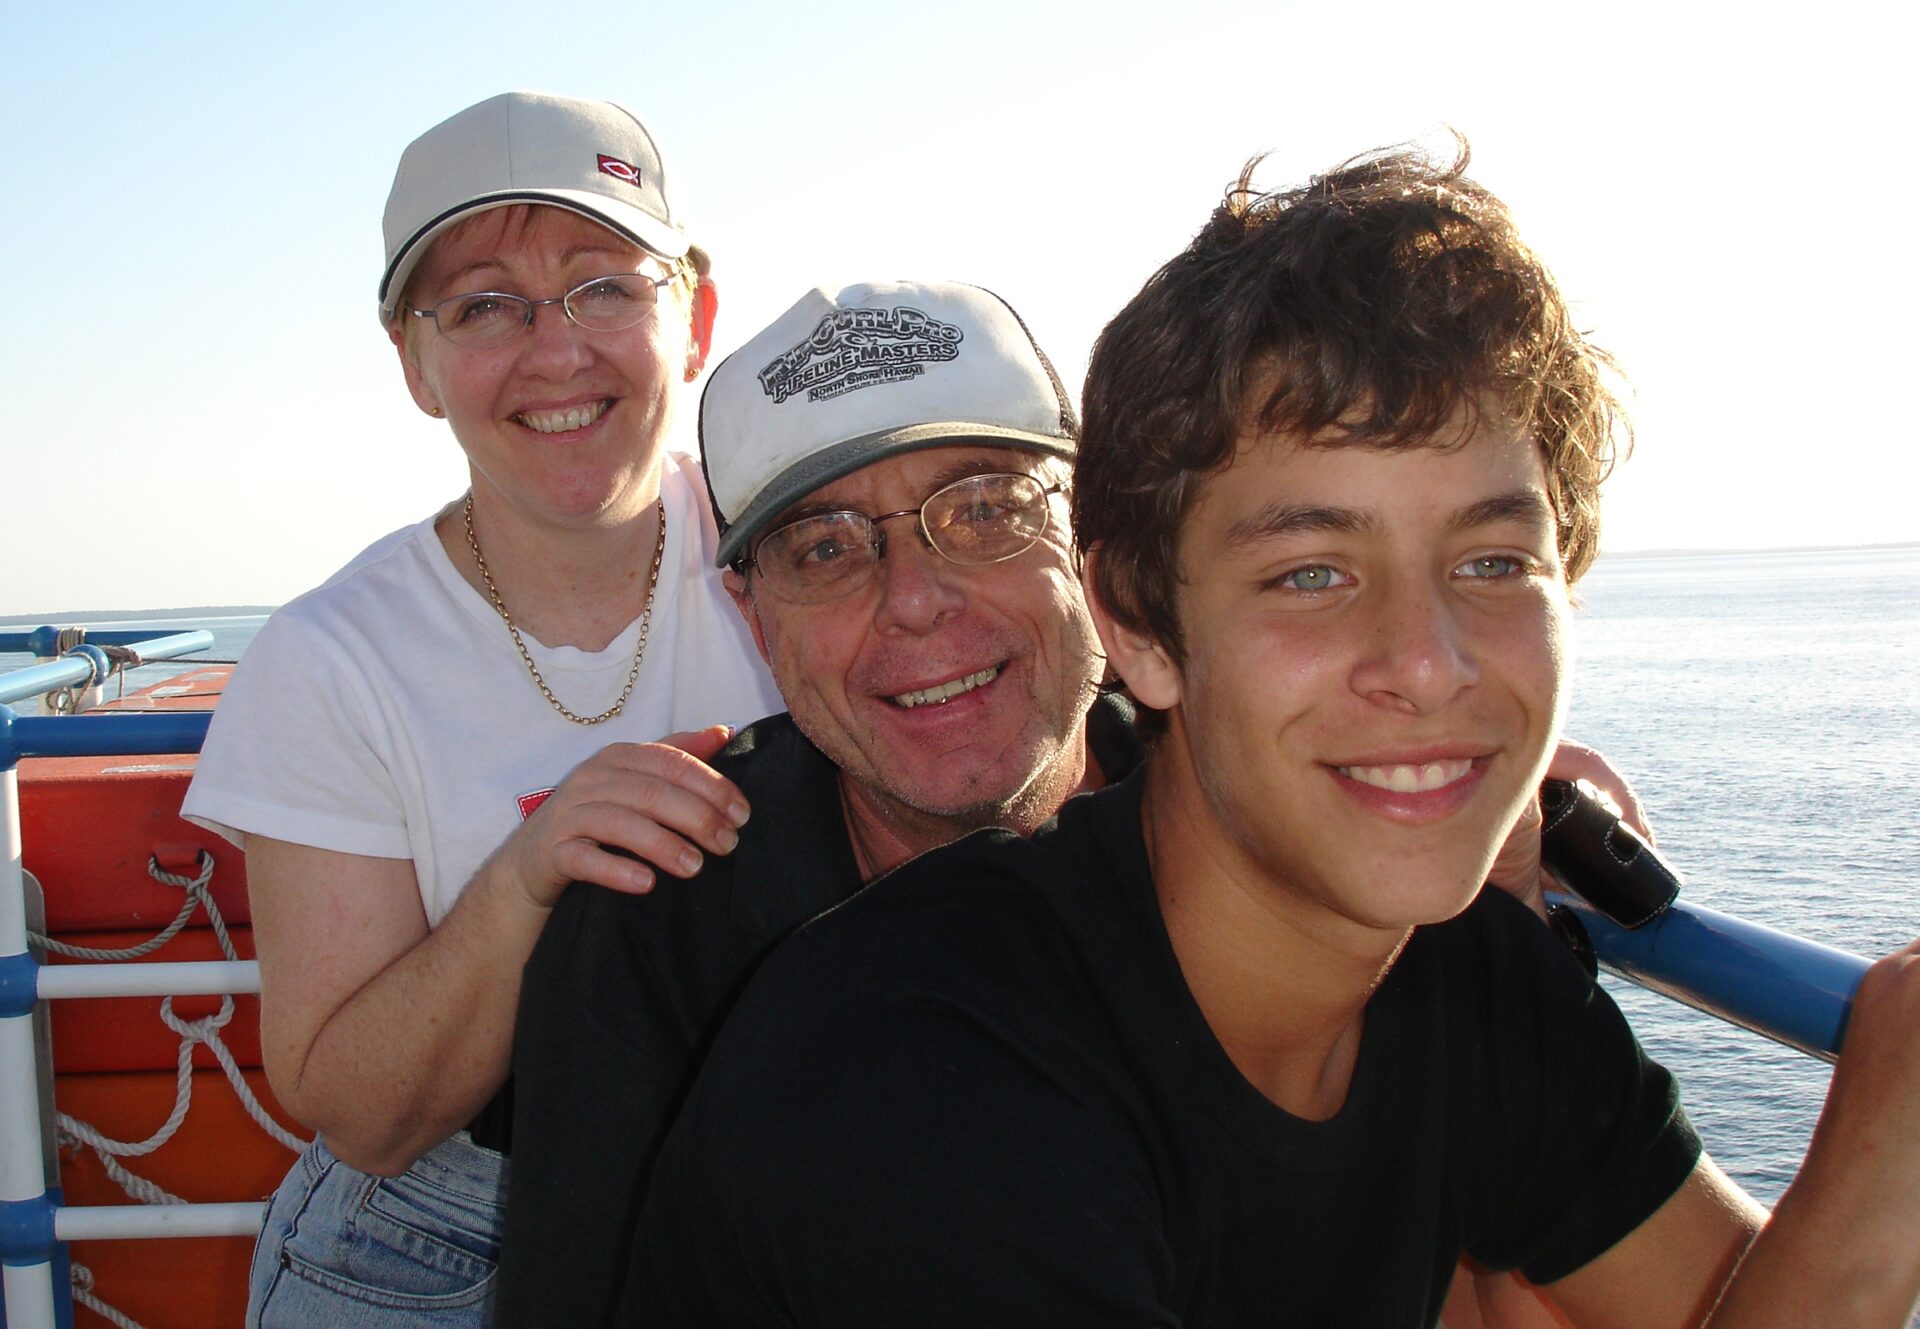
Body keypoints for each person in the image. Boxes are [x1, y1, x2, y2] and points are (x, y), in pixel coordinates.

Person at [622, 147, 1920, 1327]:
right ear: (1136, 620)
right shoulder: (924, 1073)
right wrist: (1870, 1174)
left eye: (1491, 560)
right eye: (1311, 571)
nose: (1429, 663)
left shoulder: (1463, 976)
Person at [497, 277, 1642, 1326]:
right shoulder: (658, 928)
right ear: (756, 619)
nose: (915, 602)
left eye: (986, 508)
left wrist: (1445, 805)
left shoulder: (1299, 843)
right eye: (825, 548)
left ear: (1098, 556)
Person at [181, 91, 781, 1325]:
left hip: (787, 1181)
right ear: (415, 361)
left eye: (605, 286)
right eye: (484, 305)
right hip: (442, 1243)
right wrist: (527, 878)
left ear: (696, 315)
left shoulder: (816, 558)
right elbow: (362, 1112)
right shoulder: (328, 662)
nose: (556, 352)